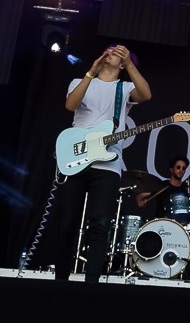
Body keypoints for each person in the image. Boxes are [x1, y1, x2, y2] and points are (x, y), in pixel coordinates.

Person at [54, 44, 153, 283]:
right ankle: (60, 282)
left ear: (123, 63)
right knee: (67, 223)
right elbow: (70, 105)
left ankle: (92, 285)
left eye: (118, 52)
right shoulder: (80, 81)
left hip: (108, 164)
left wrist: (129, 64)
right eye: (109, 49)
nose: (111, 52)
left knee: (100, 223)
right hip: (76, 158)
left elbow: (146, 95)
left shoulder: (125, 87)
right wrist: (91, 72)